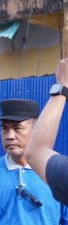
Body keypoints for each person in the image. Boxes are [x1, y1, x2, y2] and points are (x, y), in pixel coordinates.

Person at [27, 57, 68, 204]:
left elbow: (36, 152)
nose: (11, 136)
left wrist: (62, 87)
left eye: (17, 127)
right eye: (5, 128)